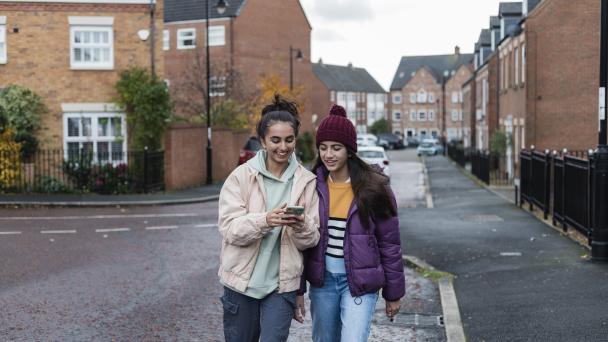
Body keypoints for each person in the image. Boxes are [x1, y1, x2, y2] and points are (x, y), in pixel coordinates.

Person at [298, 104, 406, 342]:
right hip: (322, 282)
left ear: (349, 150)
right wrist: (298, 289)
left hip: (359, 283)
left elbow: (390, 244)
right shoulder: (311, 186)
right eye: (323, 148)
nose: (329, 154)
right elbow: (299, 241)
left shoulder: (375, 187)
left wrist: (393, 292)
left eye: (336, 148)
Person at [217, 94, 320, 342]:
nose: (282, 147)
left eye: (289, 140)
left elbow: (311, 239)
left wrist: (301, 224)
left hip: (281, 287)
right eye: (275, 140)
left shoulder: (306, 181)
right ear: (262, 140)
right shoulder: (241, 177)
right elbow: (230, 229)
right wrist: (266, 220)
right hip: (241, 284)